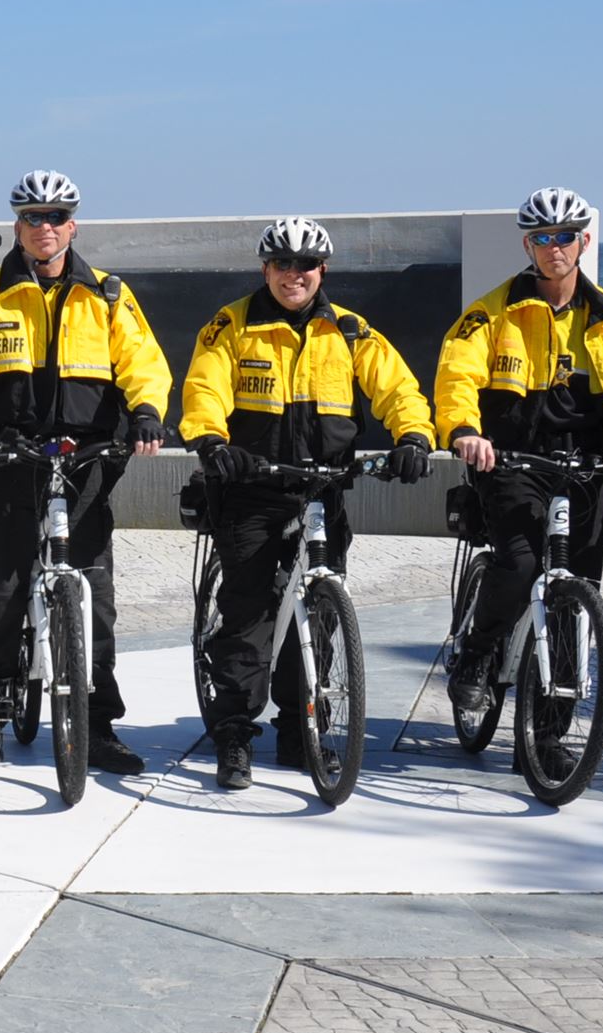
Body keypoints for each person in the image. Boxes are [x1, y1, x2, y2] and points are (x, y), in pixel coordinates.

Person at [181, 218, 436, 789]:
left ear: (322, 271)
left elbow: (397, 389)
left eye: (304, 265)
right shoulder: (232, 326)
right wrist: (211, 440)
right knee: (247, 614)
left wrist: (414, 437)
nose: (293, 275)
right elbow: (204, 388)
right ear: (264, 269)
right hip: (250, 488)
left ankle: (301, 729)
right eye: (281, 265)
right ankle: (234, 735)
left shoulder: (348, 331)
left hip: (323, 488)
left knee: (317, 611)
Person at [0, 171, 171, 777]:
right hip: (8, 458)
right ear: (17, 226)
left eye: (56, 217)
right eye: (33, 217)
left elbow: (143, 361)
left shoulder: (110, 295)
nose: (45, 227)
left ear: (74, 225)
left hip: (86, 459)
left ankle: (98, 727)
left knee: (93, 598)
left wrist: (146, 413)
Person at [434, 187, 603, 736]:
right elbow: (456, 376)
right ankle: (477, 653)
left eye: (565, 237)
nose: (555, 248)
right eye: (543, 238)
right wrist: (466, 432)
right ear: (528, 245)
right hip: (514, 464)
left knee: (576, 597)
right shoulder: (492, 312)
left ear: (582, 242)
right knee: (521, 564)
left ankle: (553, 727)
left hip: (587, 470)